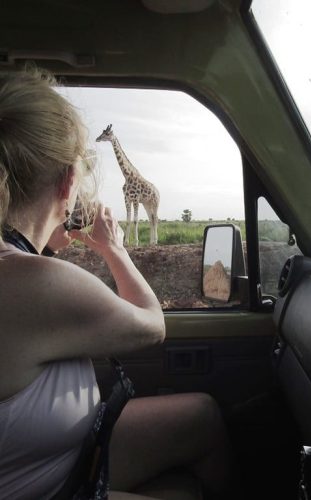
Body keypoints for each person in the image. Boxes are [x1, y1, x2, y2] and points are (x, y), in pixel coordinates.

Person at [0, 69, 231, 499]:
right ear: (68, 181)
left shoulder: (25, 270)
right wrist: (114, 249)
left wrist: (43, 248)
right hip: (52, 482)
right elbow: (151, 324)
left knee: (199, 423)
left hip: (57, 462)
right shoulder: (38, 282)